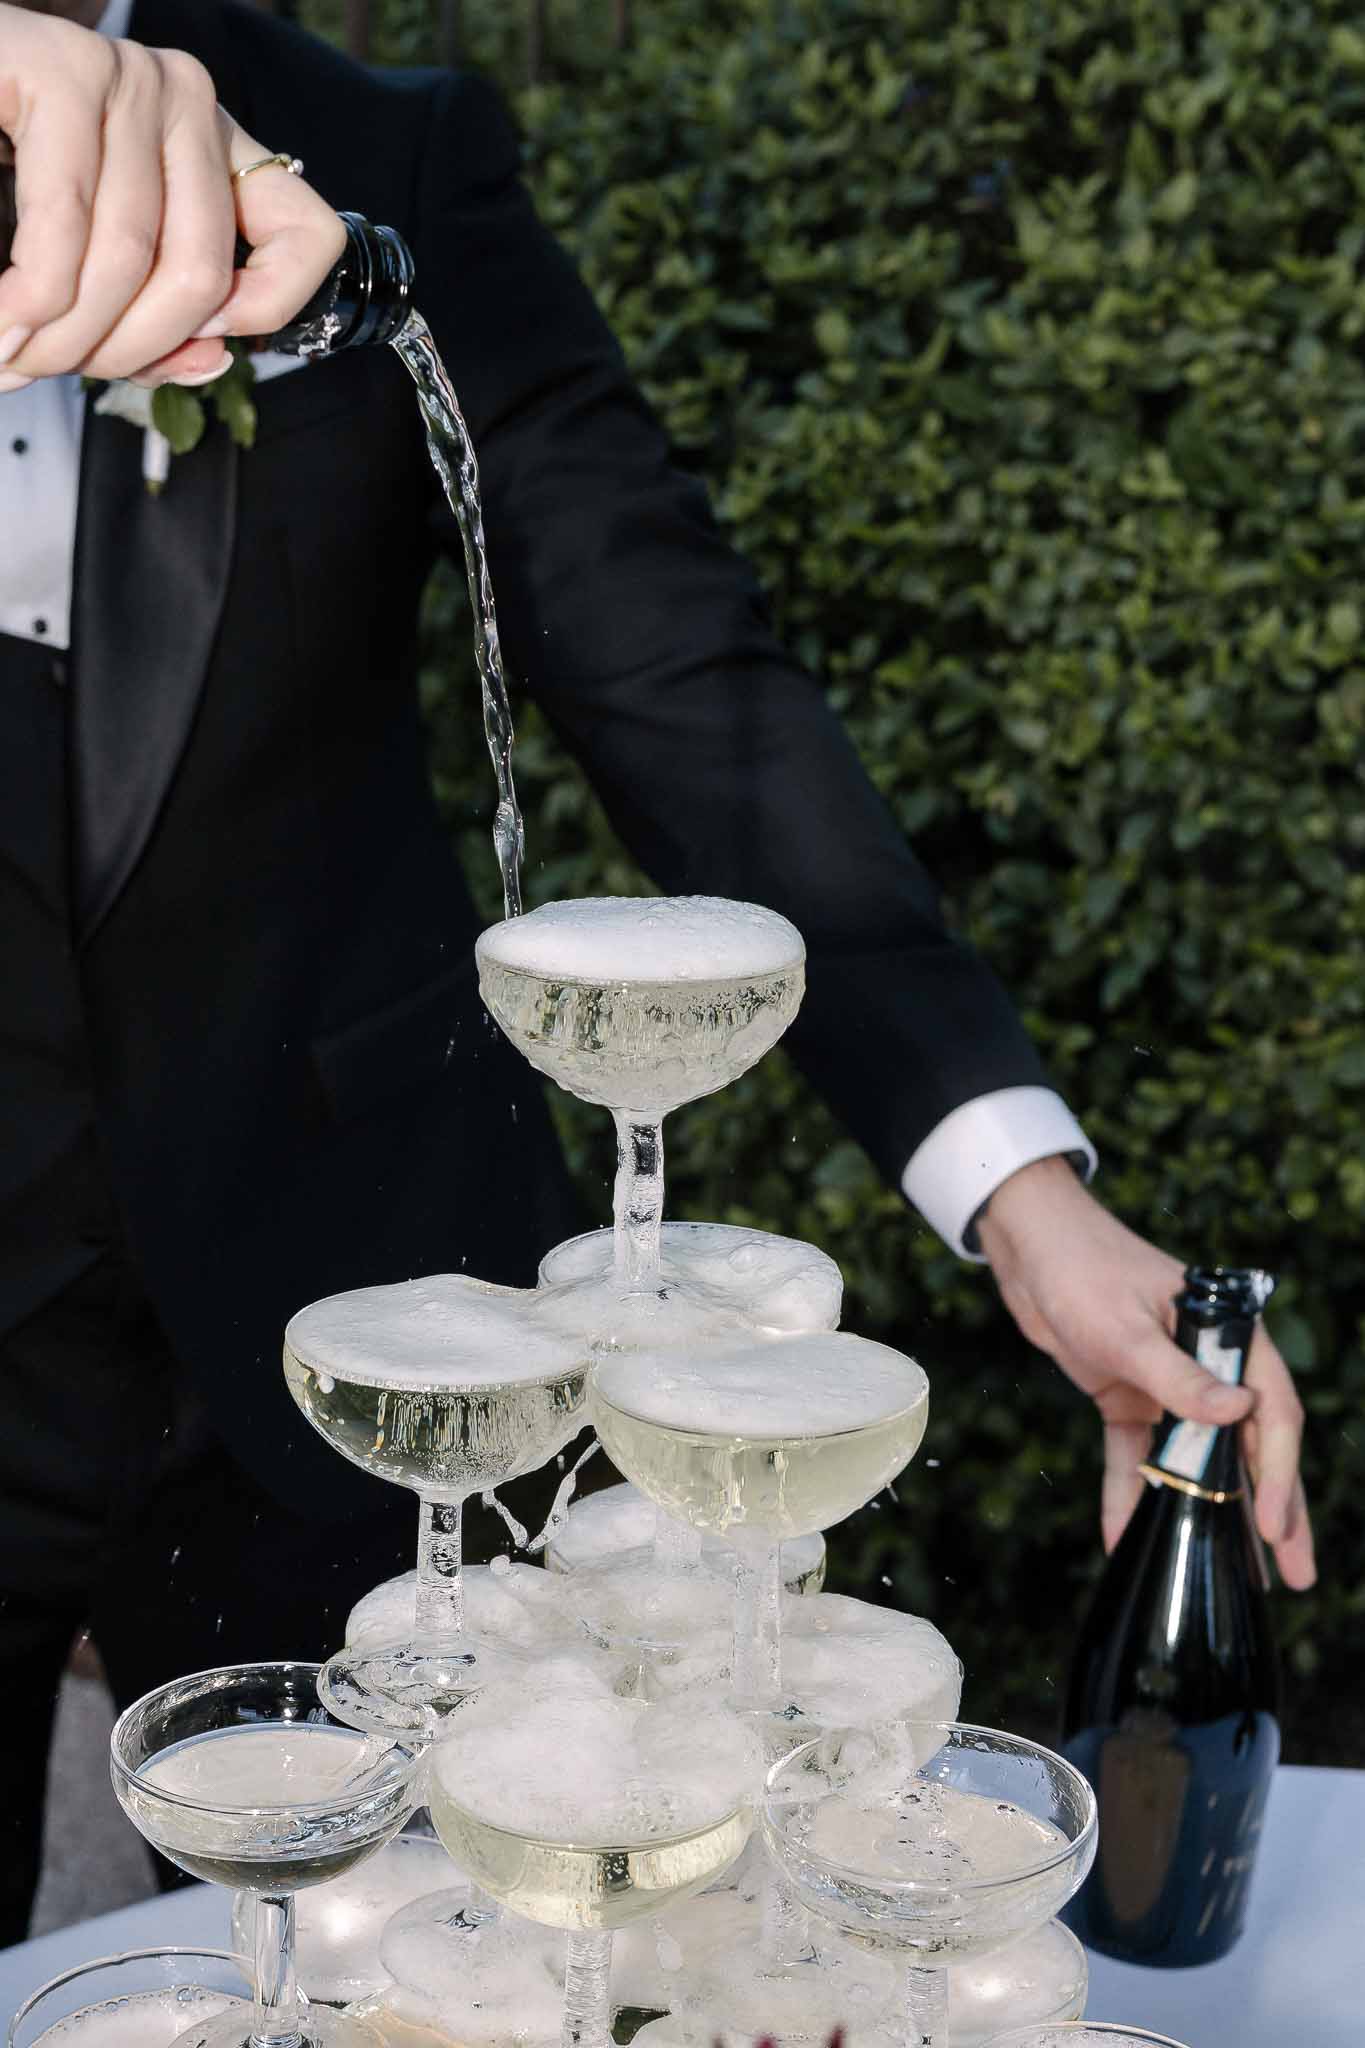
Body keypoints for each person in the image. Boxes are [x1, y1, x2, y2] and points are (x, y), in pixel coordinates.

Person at [0, 0, 1313, 1938]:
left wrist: (1021, 1196)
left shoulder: (376, 148)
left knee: (491, 1952)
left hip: (387, 1328)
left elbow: (675, 669)